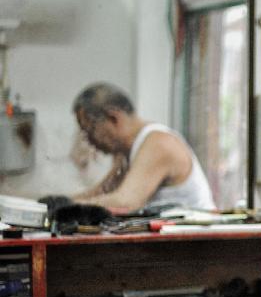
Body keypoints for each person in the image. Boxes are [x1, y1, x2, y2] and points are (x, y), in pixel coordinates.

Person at [70, 82, 215, 212]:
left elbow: (124, 203)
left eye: (90, 130)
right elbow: (102, 193)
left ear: (114, 118)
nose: (89, 140)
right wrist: (56, 204)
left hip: (199, 238)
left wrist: (67, 209)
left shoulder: (158, 143)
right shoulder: (126, 153)